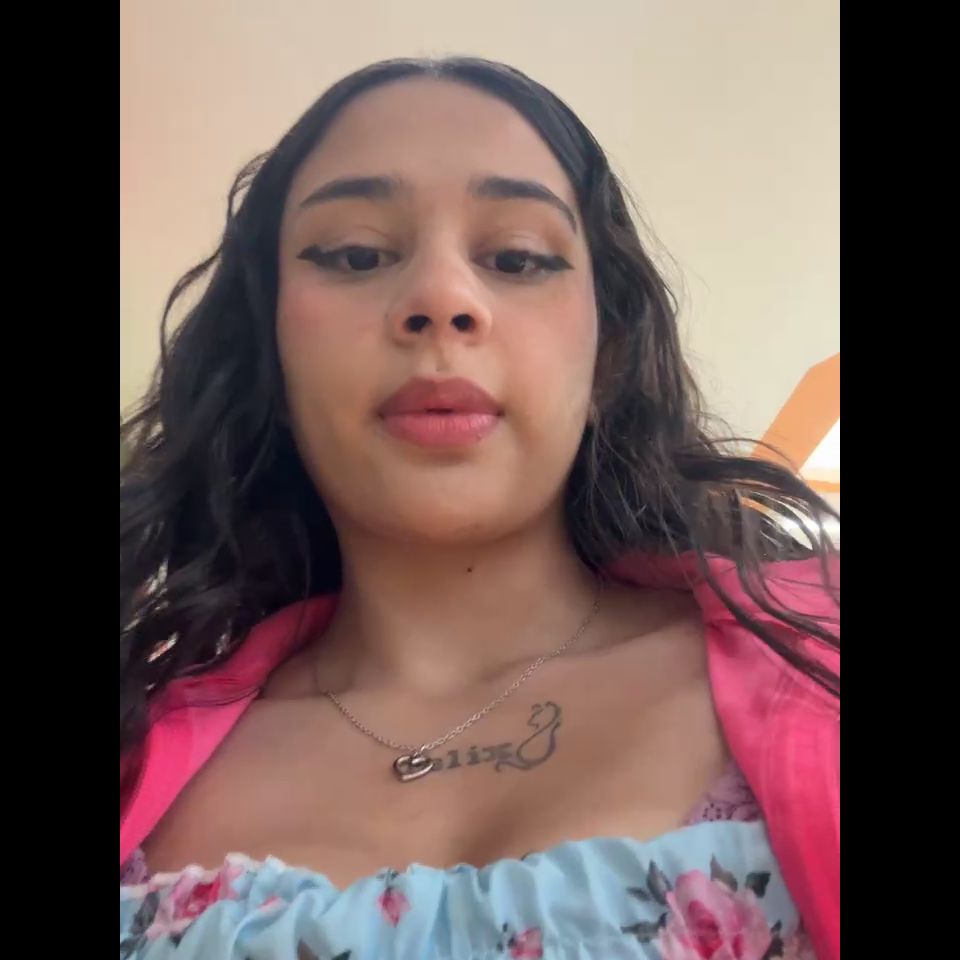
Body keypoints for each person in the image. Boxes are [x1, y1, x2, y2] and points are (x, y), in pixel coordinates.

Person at [120, 57, 839, 960]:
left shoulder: (819, 658)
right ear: (271, 349)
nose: (441, 299)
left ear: (608, 355)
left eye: (517, 258)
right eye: (355, 255)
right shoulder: (138, 751)